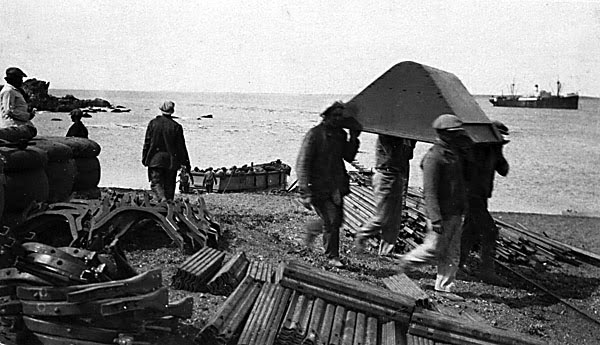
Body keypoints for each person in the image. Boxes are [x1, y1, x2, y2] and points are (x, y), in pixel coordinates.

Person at [397, 114, 471, 300]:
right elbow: (429, 191)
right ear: (444, 134)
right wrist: (435, 217)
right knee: (433, 249)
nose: (457, 136)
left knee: (453, 252)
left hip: (455, 212)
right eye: (454, 133)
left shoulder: (454, 154)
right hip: (442, 214)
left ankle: (444, 288)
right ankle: (407, 262)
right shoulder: (434, 158)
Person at [296, 101, 361, 268]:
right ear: (325, 116)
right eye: (335, 115)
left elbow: (348, 156)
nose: (338, 119)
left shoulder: (340, 134)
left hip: (335, 187)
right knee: (332, 221)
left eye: (340, 116)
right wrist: (304, 192)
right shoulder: (315, 134)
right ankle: (332, 256)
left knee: (337, 220)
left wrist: (354, 137)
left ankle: (312, 229)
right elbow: (303, 163)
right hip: (318, 186)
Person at [459, 120, 510, 285]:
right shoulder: (476, 148)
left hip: (481, 196)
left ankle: (458, 264)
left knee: (470, 230)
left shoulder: (493, 151)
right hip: (471, 196)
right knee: (490, 231)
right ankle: (486, 271)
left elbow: (504, 170)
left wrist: (499, 151)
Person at [355, 135, 415, 256]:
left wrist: (411, 141)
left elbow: (408, 156)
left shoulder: (406, 135)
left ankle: (386, 252)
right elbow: (394, 157)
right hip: (385, 176)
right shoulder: (387, 134)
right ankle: (362, 234)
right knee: (383, 217)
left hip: (398, 175)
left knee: (395, 220)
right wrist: (407, 143)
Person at [142, 101, 191, 201]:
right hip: (171, 162)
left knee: (156, 183)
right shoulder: (176, 126)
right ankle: (168, 206)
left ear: (161, 110)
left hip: (155, 160)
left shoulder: (153, 123)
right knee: (169, 187)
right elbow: (181, 147)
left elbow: (147, 142)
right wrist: (186, 163)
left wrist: (145, 158)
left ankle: (162, 199)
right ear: (172, 111)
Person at [0, 67, 37, 140]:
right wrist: (28, 116)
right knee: (30, 131)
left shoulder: (14, 91)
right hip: (12, 125)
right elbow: (9, 111)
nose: (22, 81)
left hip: (18, 124)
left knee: (31, 130)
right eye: (20, 78)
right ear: (13, 79)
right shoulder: (8, 91)